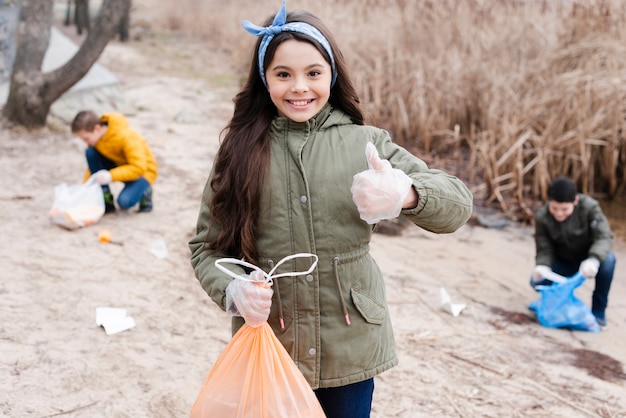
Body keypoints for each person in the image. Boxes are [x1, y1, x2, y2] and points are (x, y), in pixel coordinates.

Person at [188, 1, 473, 416]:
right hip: (272, 345)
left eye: (313, 73)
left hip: (352, 348)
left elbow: (458, 203)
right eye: (283, 74)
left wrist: (406, 194)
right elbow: (206, 248)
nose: (299, 87)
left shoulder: (366, 143)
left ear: (332, 75)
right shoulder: (239, 152)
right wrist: (232, 290)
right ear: (264, 80)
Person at [531, 176, 616, 327]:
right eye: (554, 208)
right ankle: (556, 304)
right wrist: (542, 266)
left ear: (575, 201)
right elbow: (545, 248)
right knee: (536, 281)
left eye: (564, 209)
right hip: (563, 262)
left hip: (587, 260)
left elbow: (604, 237)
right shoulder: (542, 217)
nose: (559, 214)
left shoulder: (590, 208)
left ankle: (598, 311)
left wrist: (593, 259)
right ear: (549, 201)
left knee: (609, 260)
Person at [71, 110, 158, 214]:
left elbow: (139, 167)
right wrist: (85, 186)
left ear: (97, 128)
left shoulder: (127, 136)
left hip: (143, 172)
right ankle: (105, 196)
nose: (85, 142)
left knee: (124, 202)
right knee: (90, 152)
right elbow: (93, 167)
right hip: (120, 165)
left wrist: (110, 176)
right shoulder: (97, 140)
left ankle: (145, 191)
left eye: (86, 138)